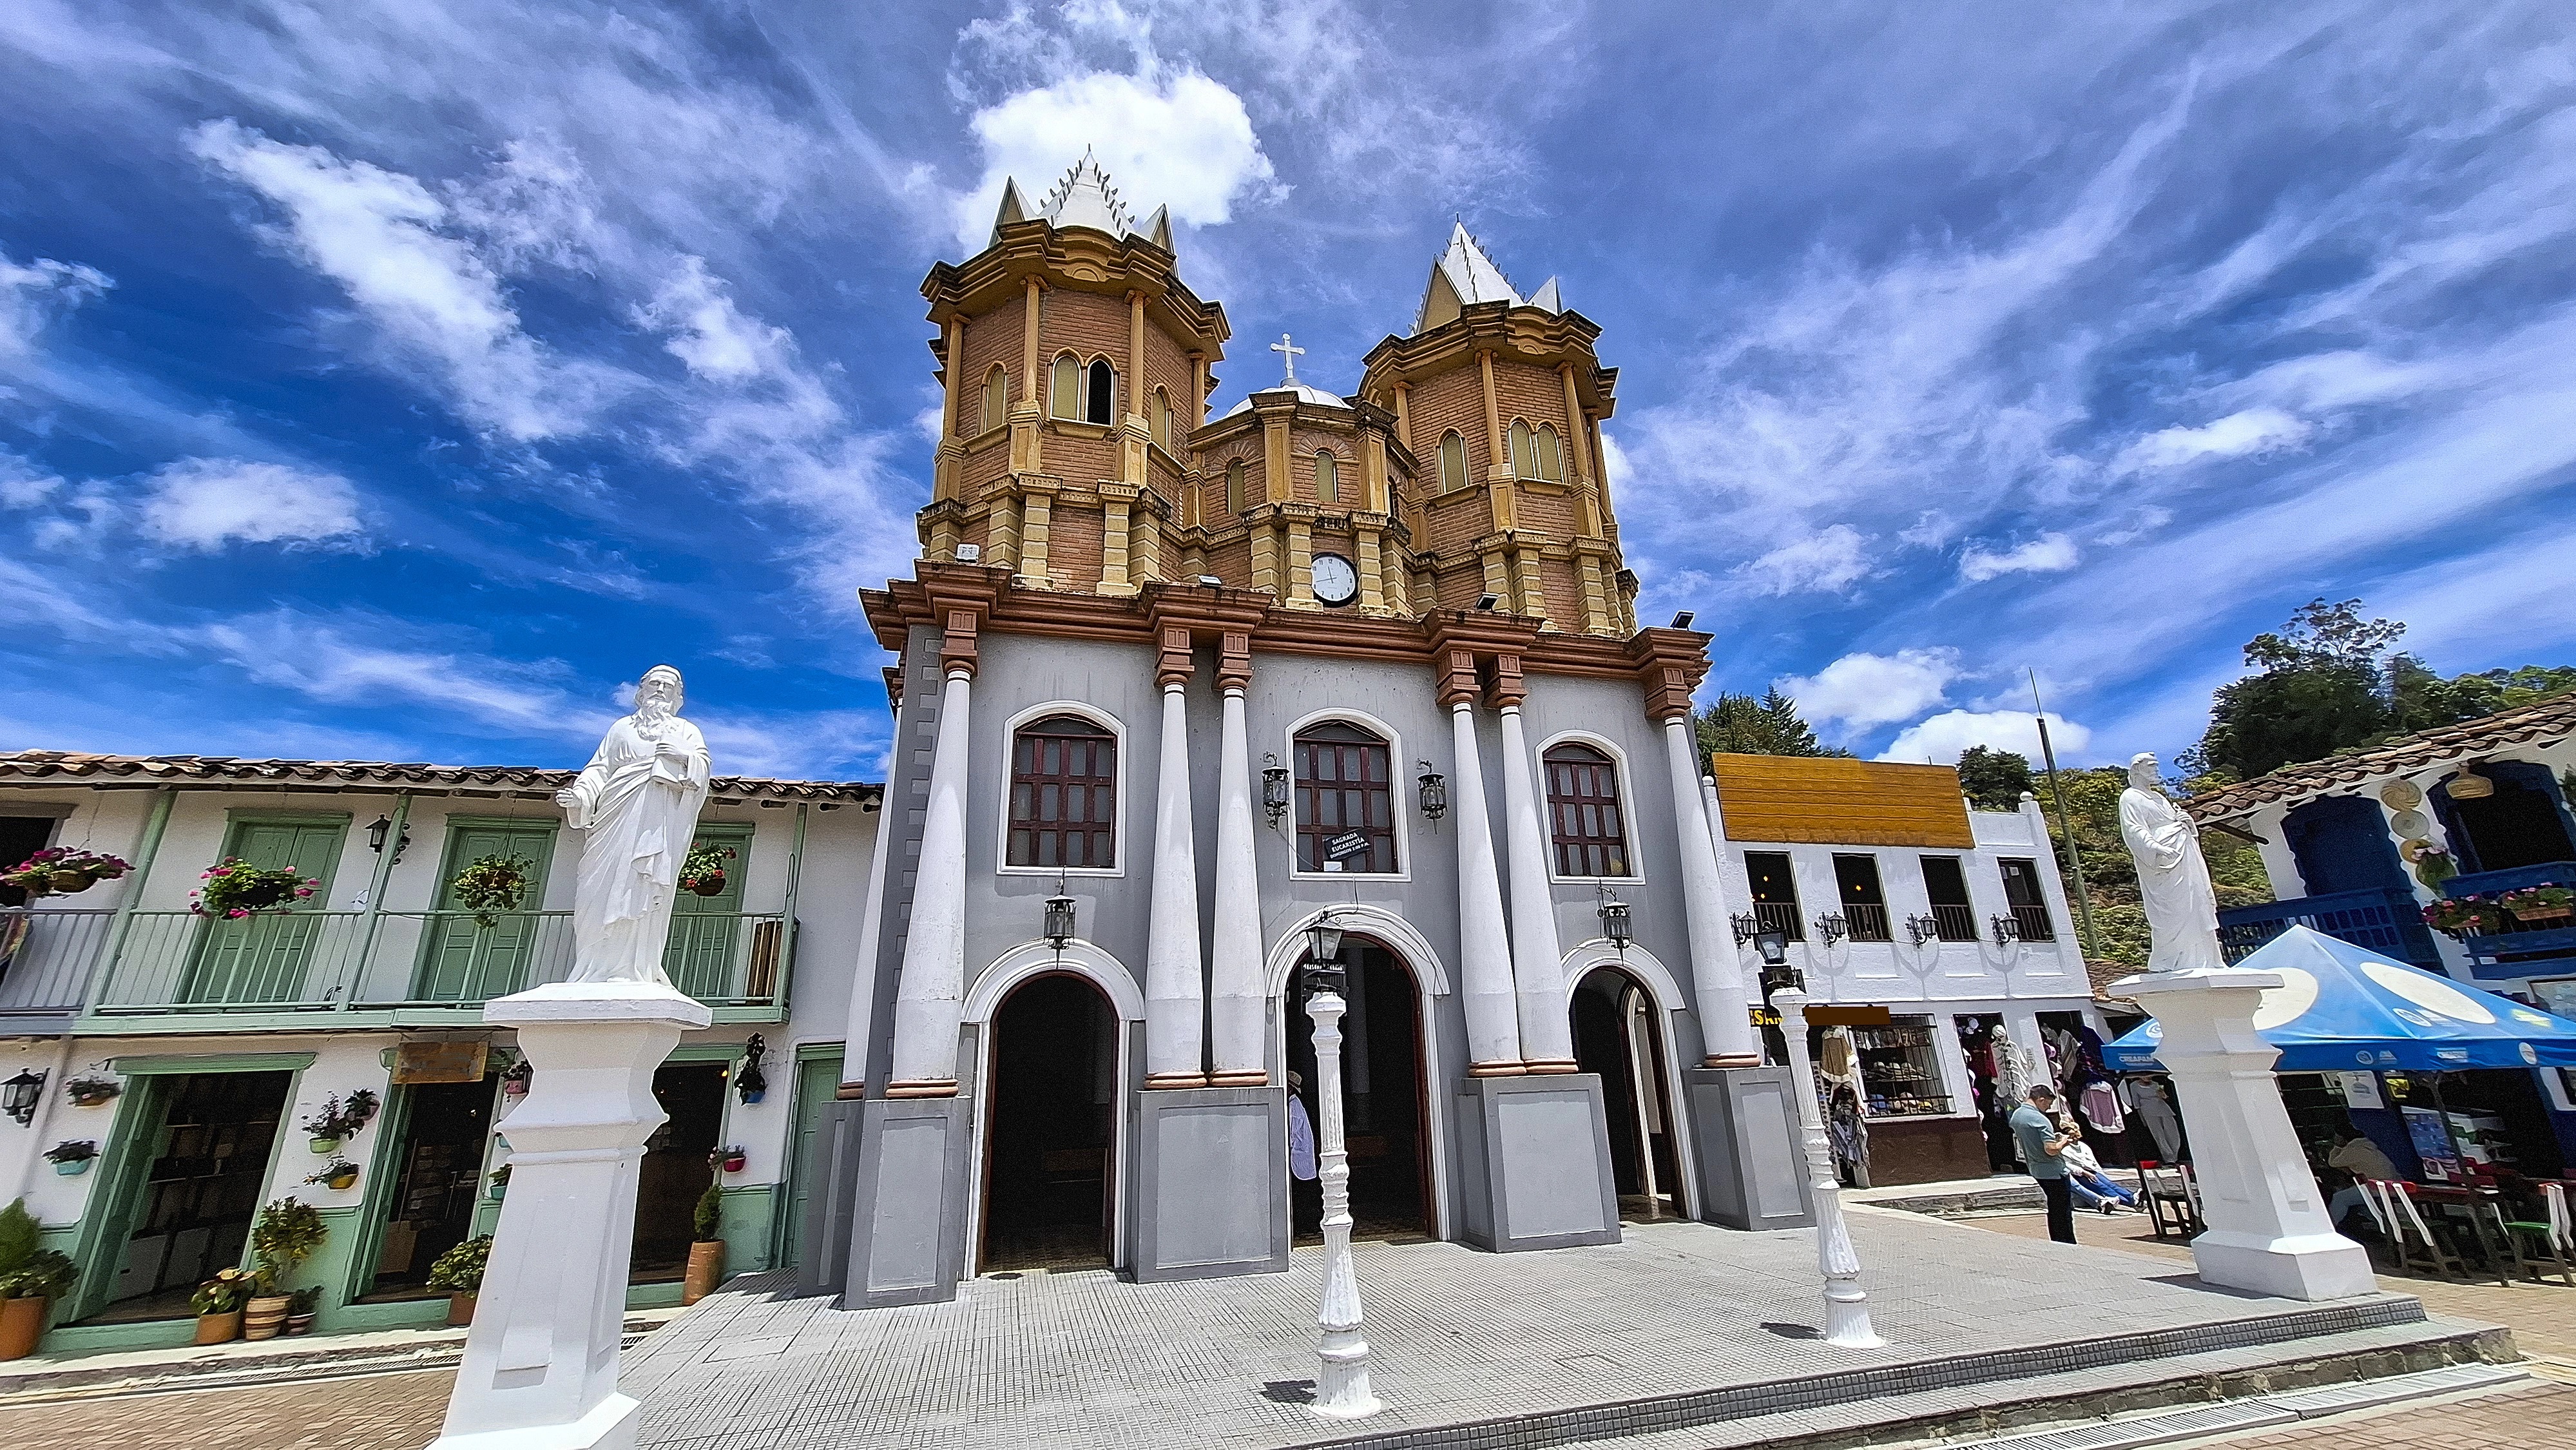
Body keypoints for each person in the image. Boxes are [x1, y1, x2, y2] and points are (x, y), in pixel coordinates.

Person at [554, 664, 712, 985]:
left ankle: (633, 969)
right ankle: (594, 966)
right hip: (614, 813)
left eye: (668, 687)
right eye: (654, 684)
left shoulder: (687, 732)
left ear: (678, 697)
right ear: (640, 692)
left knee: (643, 886)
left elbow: (702, 771)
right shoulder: (621, 729)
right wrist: (581, 795)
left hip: (657, 820)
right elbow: (599, 769)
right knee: (595, 888)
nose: (660, 690)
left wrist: (684, 757)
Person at [2012, 1084, 2081, 1242]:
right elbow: (2050, 1149)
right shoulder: (2040, 1119)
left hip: (2036, 1168)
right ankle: (2067, 1242)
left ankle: (2057, 1240)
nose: (2048, 1108)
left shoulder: (2017, 1115)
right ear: (2041, 1100)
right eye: (2048, 1104)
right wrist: (2065, 1141)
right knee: (2062, 1211)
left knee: (2054, 1209)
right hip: (2054, 1170)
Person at [2324, 1129, 2398, 1233]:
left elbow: (2333, 1162)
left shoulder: (2353, 1150)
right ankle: (2381, 1228)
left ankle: (2329, 1229)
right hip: (2394, 1186)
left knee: (2340, 1198)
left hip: (2378, 1188)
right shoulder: (2369, 1147)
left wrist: (2337, 1146)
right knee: (2360, 1204)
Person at [2059, 1132, 2140, 1214]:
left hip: (2092, 1170)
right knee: (2102, 1187)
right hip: (2079, 1174)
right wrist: (2084, 1172)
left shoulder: (2083, 1145)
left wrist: (2099, 1171)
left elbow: (2093, 1161)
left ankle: (2131, 1198)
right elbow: (2068, 1165)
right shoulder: (2064, 1150)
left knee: (2110, 1184)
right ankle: (2126, 1202)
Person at [1287, 1070, 1320, 1235]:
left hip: (1298, 1156)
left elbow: (1291, 1133)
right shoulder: (1294, 1104)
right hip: (1299, 1156)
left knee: (1302, 1194)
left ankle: (1305, 1226)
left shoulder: (1293, 1106)